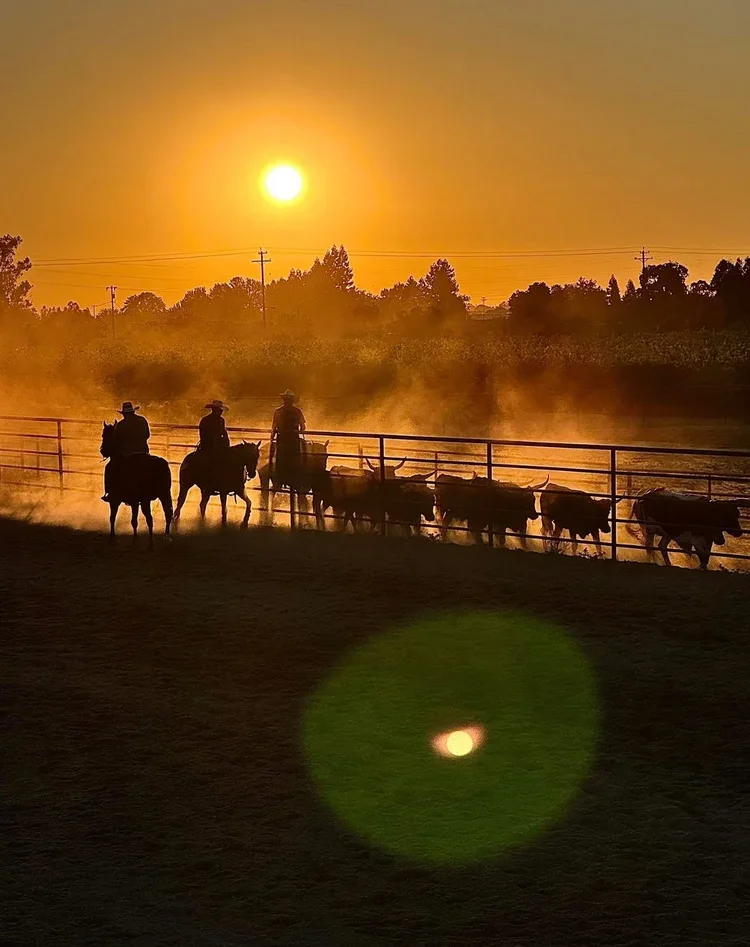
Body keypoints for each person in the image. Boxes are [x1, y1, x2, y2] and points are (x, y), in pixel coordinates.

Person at [102, 401, 151, 501]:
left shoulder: (120, 425)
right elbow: (147, 435)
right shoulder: (142, 420)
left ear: (124, 414)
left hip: (127, 455)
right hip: (143, 452)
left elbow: (116, 440)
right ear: (133, 412)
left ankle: (109, 493)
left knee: (109, 468)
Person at [271, 389, 306, 485]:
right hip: (293, 440)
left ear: (284, 400)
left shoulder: (278, 411)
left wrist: (272, 438)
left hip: (282, 440)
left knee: (280, 459)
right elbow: (303, 427)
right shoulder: (297, 411)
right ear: (292, 400)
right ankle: (295, 478)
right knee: (296, 459)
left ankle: (280, 479)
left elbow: (274, 427)